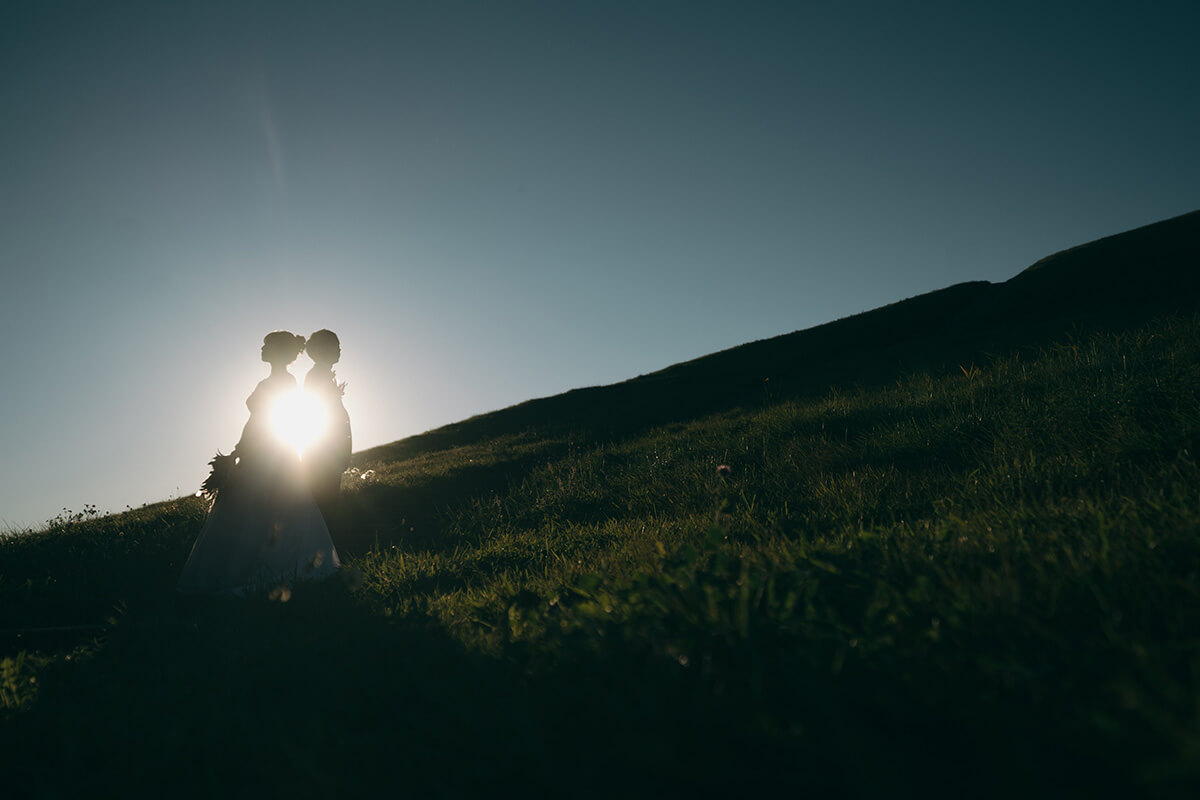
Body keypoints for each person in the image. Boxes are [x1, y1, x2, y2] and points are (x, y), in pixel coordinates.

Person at [178, 331, 340, 595]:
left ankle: (266, 571)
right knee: (248, 512)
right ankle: (244, 571)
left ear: (277, 351)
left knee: (265, 510)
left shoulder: (285, 381)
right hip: (258, 451)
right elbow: (254, 423)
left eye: (267, 344)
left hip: (271, 454)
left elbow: (266, 421)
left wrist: (244, 449)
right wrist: (239, 450)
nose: (262, 348)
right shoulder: (273, 380)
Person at [302, 329, 352, 522]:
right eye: (335, 345)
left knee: (328, 500)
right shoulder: (316, 375)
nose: (339, 349)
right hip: (323, 450)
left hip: (329, 448)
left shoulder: (322, 374)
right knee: (323, 504)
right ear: (323, 349)